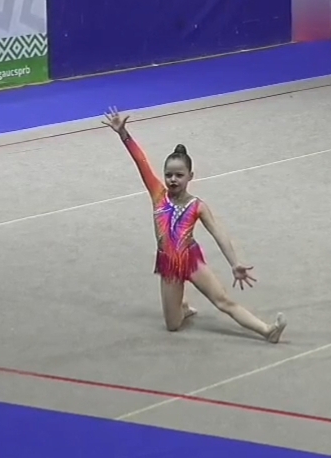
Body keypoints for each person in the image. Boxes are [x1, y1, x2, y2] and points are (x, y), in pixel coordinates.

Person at [103, 108, 288, 342]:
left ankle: (268, 330)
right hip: (168, 263)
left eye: (179, 175)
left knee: (223, 301)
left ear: (190, 176)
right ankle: (182, 306)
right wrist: (124, 135)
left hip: (190, 260)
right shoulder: (158, 195)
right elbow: (141, 162)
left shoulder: (197, 206)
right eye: (169, 175)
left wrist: (234, 263)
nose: (173, 180)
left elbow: (218, 233)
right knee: (173, 326)